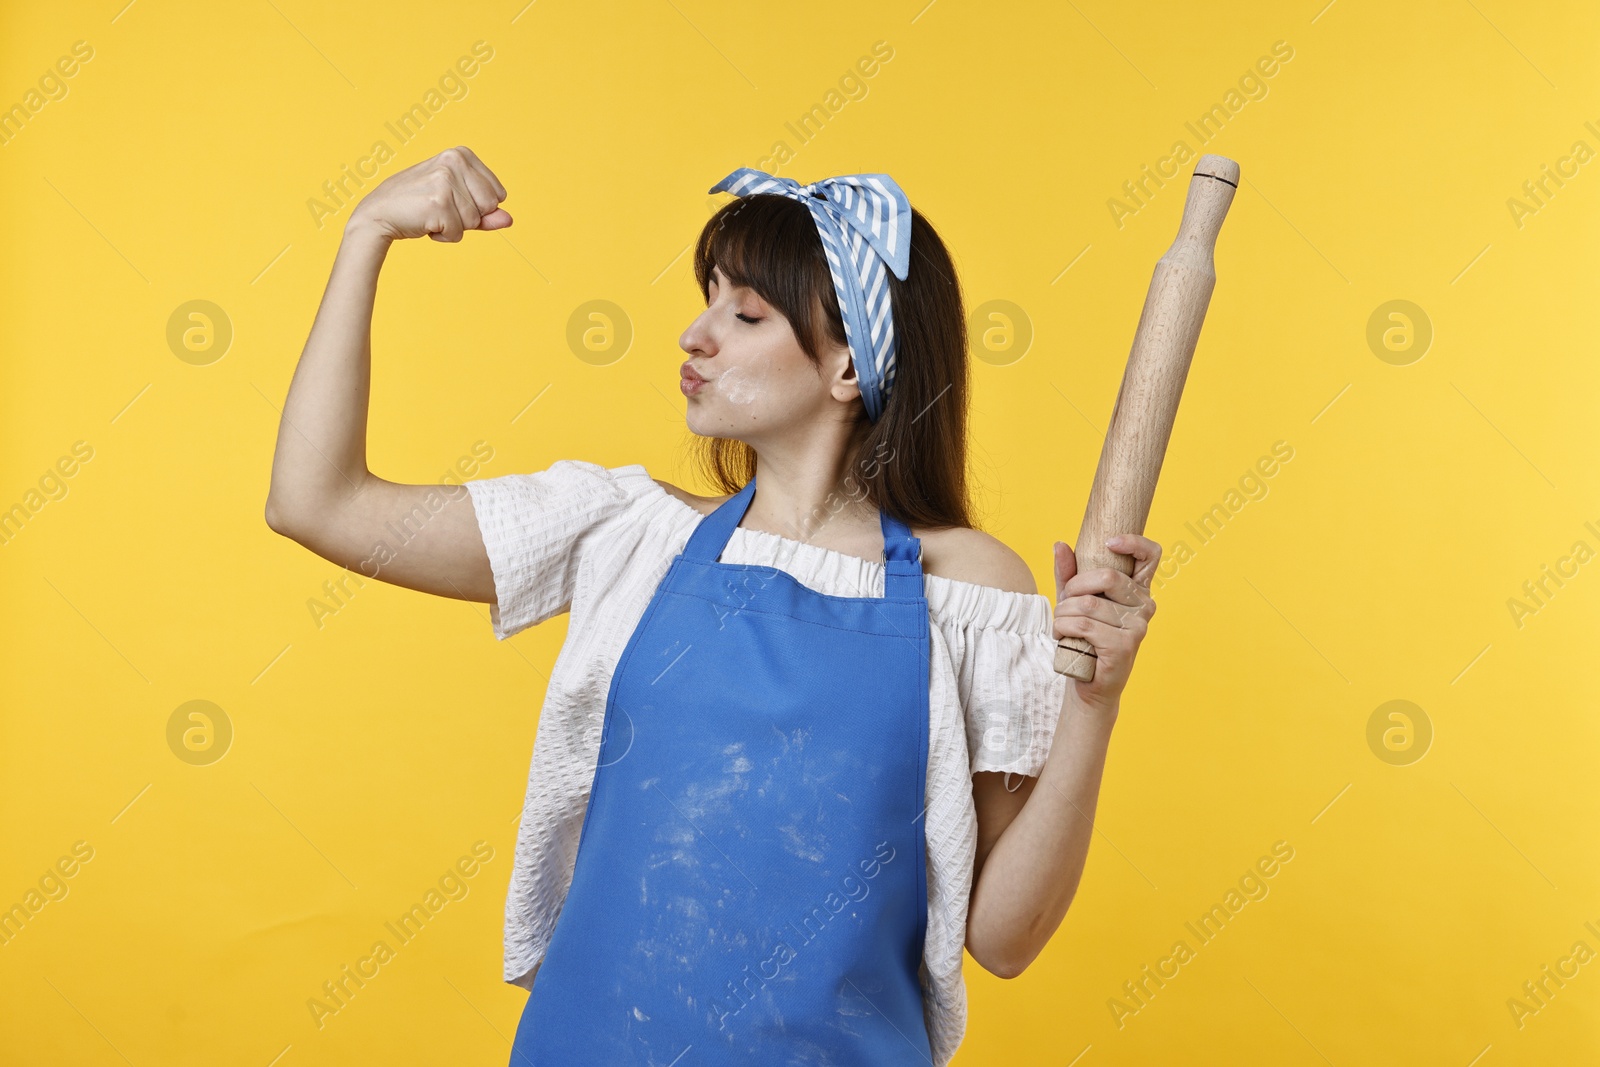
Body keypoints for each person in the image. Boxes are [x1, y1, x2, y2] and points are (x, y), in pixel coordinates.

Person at [265, 146, 1162, 1065]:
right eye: (707, 304)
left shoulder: (966, 593)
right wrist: (365, 234)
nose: (696, 337)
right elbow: (316, 502)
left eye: (745, 313)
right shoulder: (627, 533)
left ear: (848, 366)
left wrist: (1095, 703)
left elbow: (1006, 937)